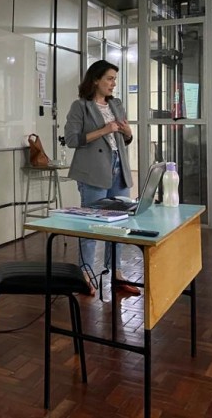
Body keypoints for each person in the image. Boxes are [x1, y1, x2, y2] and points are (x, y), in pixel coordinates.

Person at [64, 60, 140, 296]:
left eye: (115, 79)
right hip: (93, 171)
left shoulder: (116, 104)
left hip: (118, 168)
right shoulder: (80, 106)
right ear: (95, 80)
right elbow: (72, 140)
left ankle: (116, 274)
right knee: (92, 225)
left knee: (118, 225)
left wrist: (128, 133)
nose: (113, 83)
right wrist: (104, 130)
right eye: (109, 78)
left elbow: (124, 139)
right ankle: (85, 275)